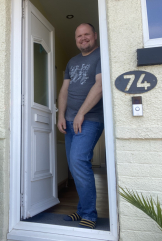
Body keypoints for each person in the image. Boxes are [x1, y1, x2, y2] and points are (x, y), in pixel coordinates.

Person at [57, 23, 104, 229]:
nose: (83, 38)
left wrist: (81, 113)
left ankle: (90, 215)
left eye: (86, 34)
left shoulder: (102, 55)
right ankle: (82, 209)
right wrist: (61, 114)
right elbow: (64, 90)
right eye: (79, 36)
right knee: (75, 167)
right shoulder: (72, 62)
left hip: (90, 119)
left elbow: (100, 85)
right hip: (69, 120)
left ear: (94, 35)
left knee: (78, 161)